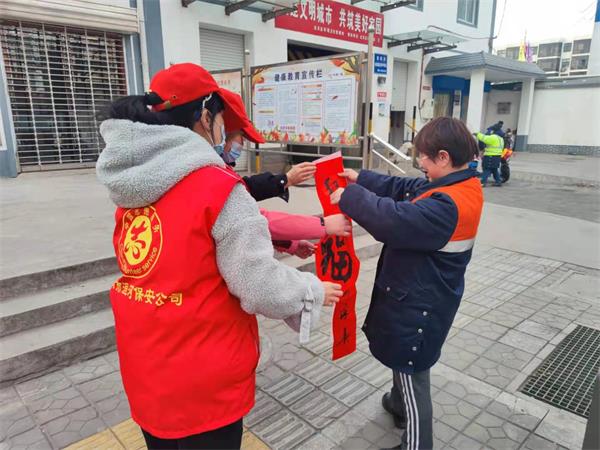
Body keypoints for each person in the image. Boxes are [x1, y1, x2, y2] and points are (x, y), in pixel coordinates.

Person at [95, 63, 343, 450]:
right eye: (223, 121)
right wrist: (310, 289)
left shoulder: (134, 184)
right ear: (205, 116)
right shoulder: (216, 184)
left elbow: (186, 246)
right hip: (202, 377)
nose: (227, 134)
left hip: (146, 365)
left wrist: (285, 243)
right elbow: (258, 286)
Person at [329, 117, 484, 450]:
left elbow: (392, 219)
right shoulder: (461, 185)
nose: (420, 163)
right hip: (421, 295)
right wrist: (362, 178)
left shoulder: (446, 205)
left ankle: (416, 443)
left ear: (444, 157)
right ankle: (398, 404)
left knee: (413, 374)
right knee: (403, 361)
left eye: (424, 156)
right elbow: (405, 188)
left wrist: (350, 197)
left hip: (421, 307)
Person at [219, 88, 315, 202]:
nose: (243, 143)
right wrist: (286, 179)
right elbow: (240, 192)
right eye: (241, 135)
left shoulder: (220, 165)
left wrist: (286, 179)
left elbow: (245, 186)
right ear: (223, 133)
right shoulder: (211, 171)